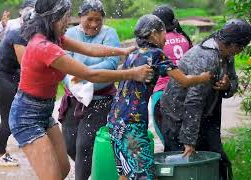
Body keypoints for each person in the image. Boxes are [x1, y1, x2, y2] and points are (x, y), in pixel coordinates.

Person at [8, 0, 156, 179]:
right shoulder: (44, 47)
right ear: (54, 19)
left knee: (63, 170)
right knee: (52, 176)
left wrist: (121, 51)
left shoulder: (54, 39)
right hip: (26, 117)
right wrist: (132, 73)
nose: (68, 22)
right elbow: (90, 75)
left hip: (44, 113)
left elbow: (89, 49)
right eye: (65, 18)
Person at [106, 14, 211, 180]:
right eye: (164, 33)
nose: (166, 38)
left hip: (114, 120)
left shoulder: (133, 54)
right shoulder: (156, 54)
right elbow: (183, 81)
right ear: (154, 34)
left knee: (125, 173)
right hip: (132, 124)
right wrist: (204, 78)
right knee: (144, 175)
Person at [160, 19, 251, 180]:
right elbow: (193, 102)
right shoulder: (206, 57)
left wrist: (228, 86)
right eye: (241, 47)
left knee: (218, 161)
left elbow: (234, 81)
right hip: (178, 116)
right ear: (231, 44)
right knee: (183, 168)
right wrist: (189, 140)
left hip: (205, 115)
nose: (240, 51)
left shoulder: (227, 54)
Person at [58, 0, 120, 179]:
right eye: (89, 19)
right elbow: (63, 64)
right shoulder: (69, 34)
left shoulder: (109, 34)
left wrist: (85, 78)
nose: (94, 25)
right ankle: (94, 172)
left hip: (100, 100)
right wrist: (76, 83)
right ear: (80, 17)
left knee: (84, 145)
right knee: (69, 145)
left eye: (98, 20)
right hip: (74, 98)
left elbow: (111, 63)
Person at [0, 0, 37, 148]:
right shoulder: (14, 26)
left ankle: (1, 140)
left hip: (15, 71)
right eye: (28, 9)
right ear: (22, 11)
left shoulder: (33, 28)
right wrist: (3, 25)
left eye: (33, 9)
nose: (31, 11)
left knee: (13, 110)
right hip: (5, 69)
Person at [0, 6, 34, 166]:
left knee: (8, 118)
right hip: (3, 80)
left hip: (7, 79)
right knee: (10, 119)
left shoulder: (23, 35)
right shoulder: (20, 36)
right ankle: (0, 155)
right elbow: (25, 65)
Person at [150, 5, 193, 144]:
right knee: (184, 133)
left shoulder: (157, 41)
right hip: (184, 92)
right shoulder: (184, 38)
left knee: (165, 135)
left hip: (162, 92)